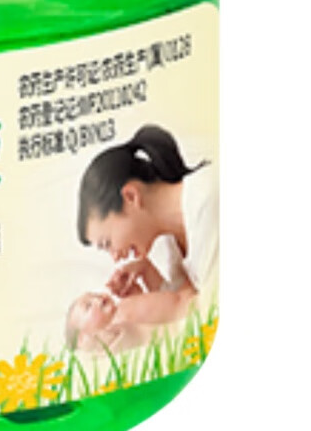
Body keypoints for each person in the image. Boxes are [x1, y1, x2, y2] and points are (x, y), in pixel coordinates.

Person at [76, 125, 217, 317]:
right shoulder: (171, 243)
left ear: (131, 196)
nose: (116, 257)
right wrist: (147, 273)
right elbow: (186, 304)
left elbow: (207, 314)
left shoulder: (208, 200)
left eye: (107, 243)